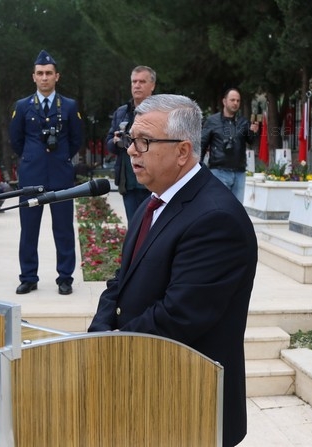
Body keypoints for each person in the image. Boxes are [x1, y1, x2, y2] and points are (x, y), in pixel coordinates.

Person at [88, 94, 257, 447]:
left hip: (186, 402)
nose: (132, 150)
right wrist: (98, 335)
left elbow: (178, 315)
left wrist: (111, 348)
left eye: (144, 142)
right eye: (130, 139)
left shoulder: (215, 219)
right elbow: (121, 281)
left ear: (182, 152)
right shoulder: (154, 201)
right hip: (143, 387)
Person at [10, 50, 83, 296]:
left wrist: (60, 157)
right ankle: (28, 277)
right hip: (31, 177)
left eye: (48, 73)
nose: (44, 78)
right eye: (40, 73)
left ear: (57, 76)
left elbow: (76, 140)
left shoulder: (70, 106)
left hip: (61, 176)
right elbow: (16, 140)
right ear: (33, 77)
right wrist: (33, 157)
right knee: (29, 229)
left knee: (63, 229)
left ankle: (65, 277)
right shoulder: (22, 106)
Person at [106, 66, 155, 222]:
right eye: (134, 81)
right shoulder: (122, 112)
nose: (137, 85)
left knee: (154, 229)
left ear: (152, 86)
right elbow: (109, 145)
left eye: (142, 81)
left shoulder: (161, 112)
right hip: (129, 182)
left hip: (154, 181)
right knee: (134, 230)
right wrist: (115, 141)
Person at [201, 87, 259, 203]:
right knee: (218, 207)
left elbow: (250, 141)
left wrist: (254, 132)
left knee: (237, 210)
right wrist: (198, 168)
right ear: (224, 101)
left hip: (239, 173)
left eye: (238, 101)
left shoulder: (243, 122)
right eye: (232, 100)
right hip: (218, 171)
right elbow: (202, 145)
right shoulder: (212, 121)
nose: (235, 103)